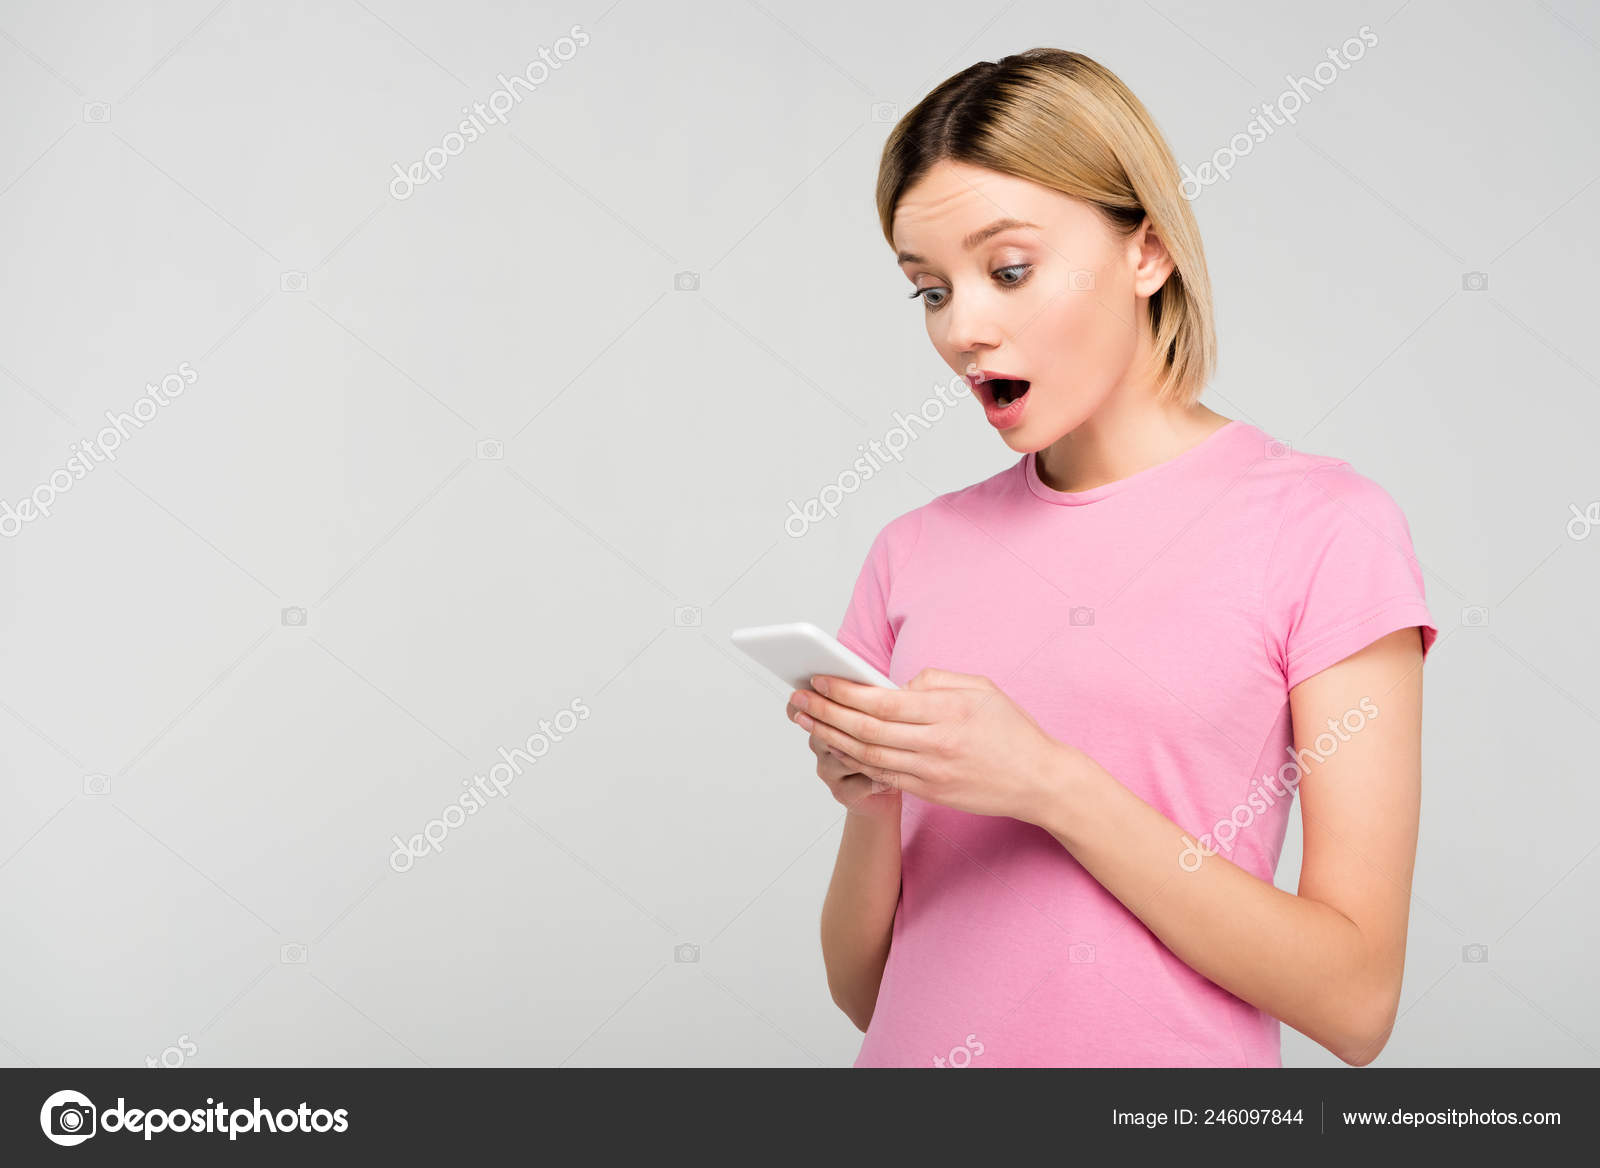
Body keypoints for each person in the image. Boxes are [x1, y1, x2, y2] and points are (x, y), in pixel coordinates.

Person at [786, 48, 1438, 1068]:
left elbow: (1354, 1004)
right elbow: (866, 990)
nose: (963, 328)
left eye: (1008, 271)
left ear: (1147, 252)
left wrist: (1046, 782)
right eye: (929, 291)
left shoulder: (1323, 529)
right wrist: (876, 798)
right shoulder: (911, 551)